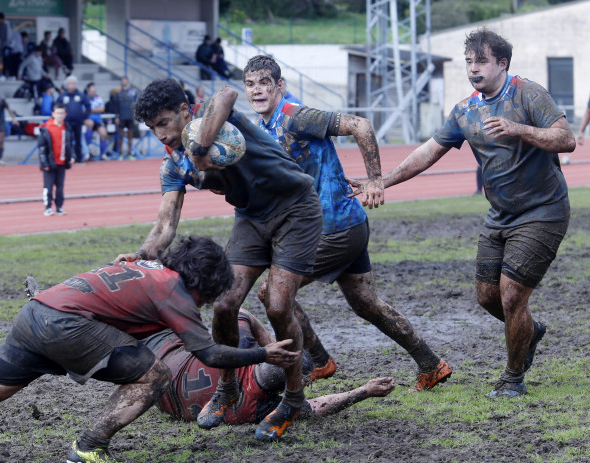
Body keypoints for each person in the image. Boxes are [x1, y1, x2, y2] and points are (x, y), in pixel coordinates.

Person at [0, 237, 298, 463]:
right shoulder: (176, 291)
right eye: (207, 297)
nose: (201, 305)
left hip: (35, 314)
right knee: (157, 374)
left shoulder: (144, 266)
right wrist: (265, 355)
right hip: (63, 325)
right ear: (201, 283)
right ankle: (89, 445)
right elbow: (210, 355)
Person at [350, 28, 575, 398]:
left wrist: (517, 128)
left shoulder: (527, 93)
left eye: (481, 61)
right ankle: (529, 331)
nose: (473, 68)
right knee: (487, 297)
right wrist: (380, 181)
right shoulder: (465, 110)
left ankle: (513, 378)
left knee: (512, 296)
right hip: (500, 215)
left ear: (502, 63)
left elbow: (565, 139)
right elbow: (426, 152)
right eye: (469, 61)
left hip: (543, 211)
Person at [120, 78, 323, 442]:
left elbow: (228, 92)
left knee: (278, 306)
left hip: (296, 209)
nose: (160, 134)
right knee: (225, 304)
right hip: (251, 217)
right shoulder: (173, 165)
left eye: (165, 122)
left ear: (186, 111)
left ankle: (292, 400)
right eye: (152, 129)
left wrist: (199, 147)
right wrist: (142, 257)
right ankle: (226, 389)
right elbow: (166, 225)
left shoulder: (217, 119)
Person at [242, 55, 452, 393]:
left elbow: (361, 125)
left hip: (335, 229)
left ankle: (319, 360)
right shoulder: (264, 126)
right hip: (345, 226)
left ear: (279, 86)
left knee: (272, 292)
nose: (257, 90)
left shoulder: (296, 117)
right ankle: (431, 365)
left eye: (265, 83)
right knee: (367, 304)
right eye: (250, 84)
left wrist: (375, 181)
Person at [26, 276, 396, 425]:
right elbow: (314, 407)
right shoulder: (263, 411)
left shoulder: (252, 367)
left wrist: (277, 347)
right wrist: (362, 392)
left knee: (133, 318)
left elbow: (241, 320)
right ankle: (59, 321)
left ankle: (58, 307)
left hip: (163, 356)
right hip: (164, 400)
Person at [39, 102, 73, 216]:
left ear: (65, 114)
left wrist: (71, 156)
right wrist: (45, 163)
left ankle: (59, 206)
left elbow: (69, 144)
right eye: (58, 113)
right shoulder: (46, 128)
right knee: (48, 187)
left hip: (62, 162)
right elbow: (42, 148)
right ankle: (48, 207)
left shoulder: (66, 128)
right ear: (53, 114)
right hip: (49, 162)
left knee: (60, 187)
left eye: (62, 113)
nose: (60, 115)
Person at [55, 75, 89, 162]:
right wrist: (59, 117)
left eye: (74, 83)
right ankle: (68, 158)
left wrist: (84, 116)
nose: (72, 85)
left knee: (79, 141)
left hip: (78, 122)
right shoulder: (62, 96)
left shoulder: (81, 95)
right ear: (67, 85)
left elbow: (88, 105)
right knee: (67, 140)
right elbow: (56, 106)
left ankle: (79, 158)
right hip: (66, 122)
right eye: (70, 83)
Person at [114, 76, 138, 159]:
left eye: (125, 80)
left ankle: (130, 153)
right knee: (120, 135)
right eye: (122, 80)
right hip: (121, 116)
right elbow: (116, 106)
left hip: (130, 116)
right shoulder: (118, 93)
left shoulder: (133, 92)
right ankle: (120, 153)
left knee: (130, 136)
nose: (124, 81)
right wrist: (116, 116)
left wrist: (135, 116)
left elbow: (136, 104)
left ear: (127, 81)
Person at [84, 82, 109, 160]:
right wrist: (95, 110)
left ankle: (103, 154)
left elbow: (102, 109)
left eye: (94, 90)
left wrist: (91, 110)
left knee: (103, 133)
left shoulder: (98, 98)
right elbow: (83, 111)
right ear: (88, 90)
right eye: (92, 90)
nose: (94, 91)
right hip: (88, 120)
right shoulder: (84, 98)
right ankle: (88, 147)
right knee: (90, 124)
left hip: (98, 120)